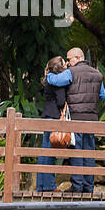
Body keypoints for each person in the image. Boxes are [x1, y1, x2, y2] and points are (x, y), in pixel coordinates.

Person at [45, 47, 105, 194]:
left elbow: (56, 80)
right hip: (92, 118)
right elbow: (102, 96)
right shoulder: (98, 74)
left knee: (77, 151)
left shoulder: (71, 72)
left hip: (77, 117)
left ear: (78, 58)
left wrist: (47, 75)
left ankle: (77, 187)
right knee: (89, 152)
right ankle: (88, 187)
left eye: (69, 59)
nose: (68, 62)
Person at [36, 56, 68, 193]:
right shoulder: (58, 81)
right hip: (54, 117)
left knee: (44, 152)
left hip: (46, 116)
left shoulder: (49, 80)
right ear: (59, 68)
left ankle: (41, 185)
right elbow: (61, 101)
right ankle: (49, 186)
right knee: (50, 153)